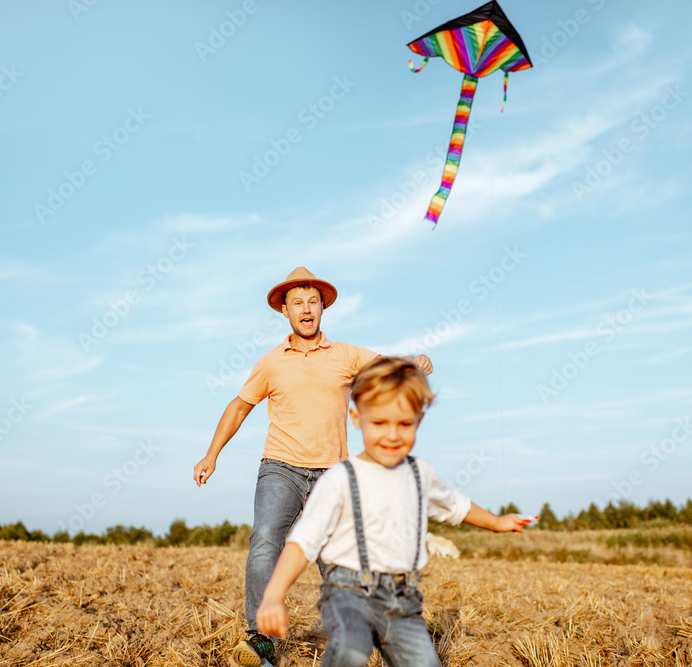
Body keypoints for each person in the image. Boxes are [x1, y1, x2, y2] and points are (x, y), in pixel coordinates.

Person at [193, 268, 432, 667]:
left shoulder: (345, 355)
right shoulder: (272, 362)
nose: (306, 309)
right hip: (281, 467)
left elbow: (385, 365)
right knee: (268, 537)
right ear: (284, 311)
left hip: (332, 475)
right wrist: (211, 454)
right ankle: (258, 637)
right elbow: (239, 407)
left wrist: (414, 362)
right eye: (297, 303)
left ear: (322, 307)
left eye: (312, 302)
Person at [255, 356, 533, 667]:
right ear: (357, 418)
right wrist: (273, 596)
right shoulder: (339, 479)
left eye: (404, 424)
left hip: (403, 602)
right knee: (351, 648)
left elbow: (454, 506)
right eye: (379, 423)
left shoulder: (420, 474)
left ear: (419, 420)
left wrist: (496, 522)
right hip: (348, 594)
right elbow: (303, 541)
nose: (392, 435)